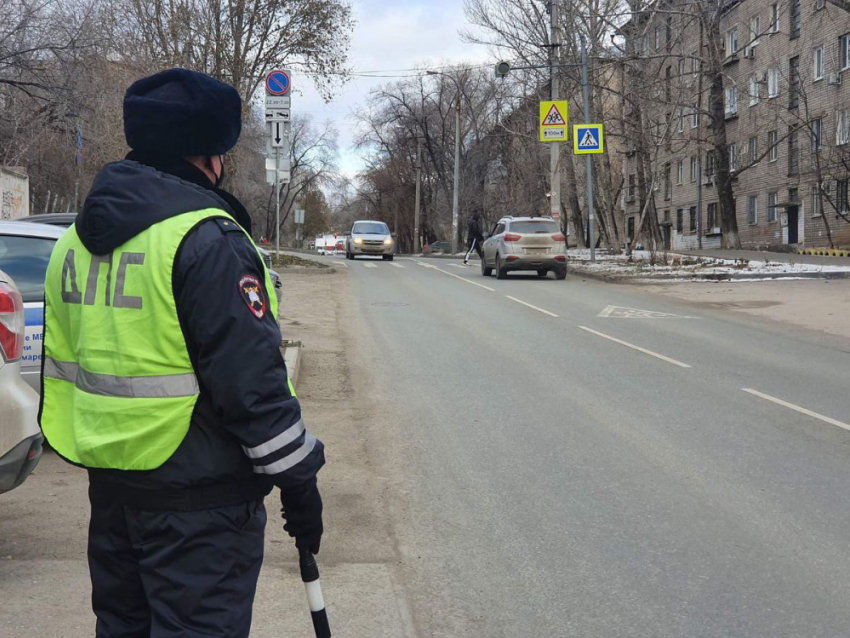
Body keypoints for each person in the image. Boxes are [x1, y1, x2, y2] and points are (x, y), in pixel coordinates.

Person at [39, 68, 325, 638]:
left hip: (114, 494)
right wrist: (300, 481)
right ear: (209, 155)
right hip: (200, 507)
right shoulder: (207, 240)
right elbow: (252, 385)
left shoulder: (74, 242)